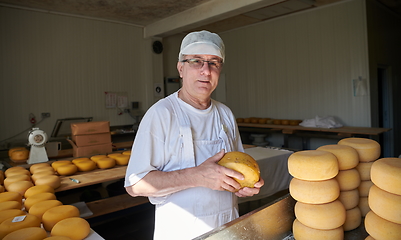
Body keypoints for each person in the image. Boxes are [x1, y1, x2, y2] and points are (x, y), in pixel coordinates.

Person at [124, 30, 264, 240]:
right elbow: (135, 185)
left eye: (213, 63)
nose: (206, 71)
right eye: (196, 61)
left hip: (227, 228)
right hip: (180, 231)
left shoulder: (225, 114)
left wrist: (242, 186)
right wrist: (197, 176)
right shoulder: (162, 114)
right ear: (181, 68)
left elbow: (237, 168)